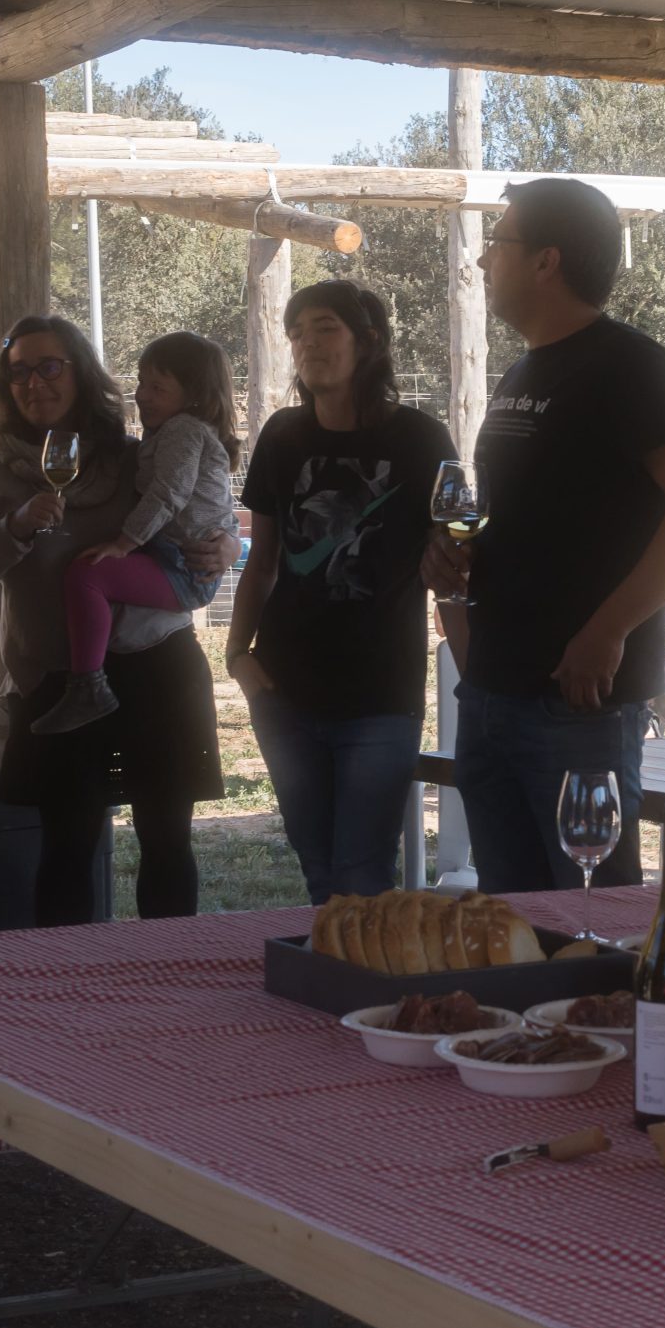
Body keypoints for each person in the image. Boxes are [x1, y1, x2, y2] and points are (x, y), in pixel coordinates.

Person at [423, 179, 665, 893]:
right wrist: (455, 553)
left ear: (545, 261)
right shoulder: (525, 370)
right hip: (494, 691)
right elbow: (531, 517)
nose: (480, 263)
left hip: (577, 703)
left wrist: (609, 631)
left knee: (595, 920)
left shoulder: (630, 366)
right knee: (515, 923)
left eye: (496, 243)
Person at [0, 315, 235, 927]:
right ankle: (69, 1005)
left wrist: (227, 544)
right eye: (18, 370)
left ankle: (174, 993)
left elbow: (195, 506)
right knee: (69, 849)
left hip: (156, 671)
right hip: (60, 684)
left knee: (166, 843)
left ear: (81, 374)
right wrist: (17, 525)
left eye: (50, 366)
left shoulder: (131, 455)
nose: (34, 382)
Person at [228, 284, 457, 903]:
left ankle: (366, 998)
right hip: (284, 692)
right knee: (318, 867)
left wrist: (458, 557)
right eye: (297, 330)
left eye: (324, 326)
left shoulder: (421, 438)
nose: (307, 342)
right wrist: (237, 658)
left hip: (381, 694)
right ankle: (330, 994)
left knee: (361, 874)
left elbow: (459, 545)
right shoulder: (281, 436)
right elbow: (263, 561)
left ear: (369, 339)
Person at [33, 332, 239, 736]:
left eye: (157, 387)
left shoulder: (182, 430)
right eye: (141, 382)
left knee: (87, 574)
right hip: (175, 561)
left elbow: (171, 492)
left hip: (182, 566)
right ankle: (88, 683)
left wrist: (124, 543)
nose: (142, 394)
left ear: (192, 395)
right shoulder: (166, 434)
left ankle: (88, 687)